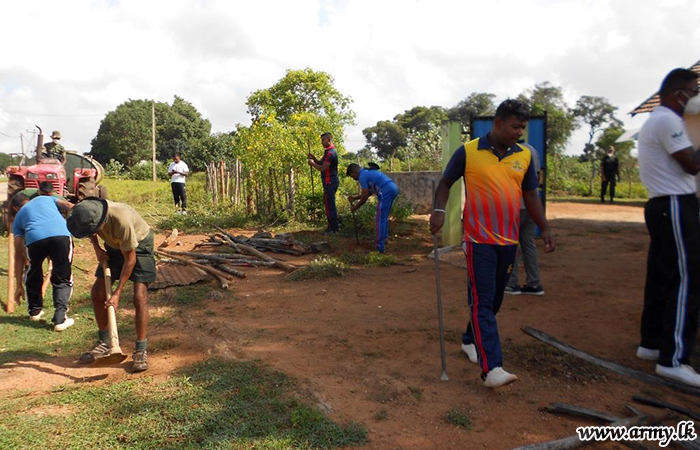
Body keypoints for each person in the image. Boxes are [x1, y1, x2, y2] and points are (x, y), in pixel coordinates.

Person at [430, 99, 555, 388]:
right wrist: (438, 210)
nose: (519, 132)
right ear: (498, 123)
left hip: (508, 240)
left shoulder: (524, 156)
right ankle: (492, 368)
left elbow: (531, 195)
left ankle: (468, 339)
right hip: (478, 240)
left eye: (522, 127)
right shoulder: (469, 152)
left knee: (494, 300)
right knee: (483, 300)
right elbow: (446, 182)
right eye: (515, 126)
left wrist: (544, 227)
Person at [636, 68, 700, 387]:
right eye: (693, 91)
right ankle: (673, 358)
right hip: (675, 203)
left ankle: (652, 343)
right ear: (679, 94)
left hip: (665, 205)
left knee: (663, 274)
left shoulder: (660, 120)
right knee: (687, 276)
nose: (695, 97)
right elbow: (692, 164)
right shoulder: (667, 120)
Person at [67, 198, 156, 373]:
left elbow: (130, 259)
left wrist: (117, 292)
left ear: (103, 221)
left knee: (139, 296)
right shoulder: (87, 213)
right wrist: (97, 248)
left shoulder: (121, 220)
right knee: (98, 292)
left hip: (139, 245)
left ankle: (140, 349)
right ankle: (105, 341)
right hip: (114, 245)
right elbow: (89, 231)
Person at [10, 193, 75, 330]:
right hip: (60, 235)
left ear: (15, 208)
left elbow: (18, 255)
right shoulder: (45, 198)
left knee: (33, 271)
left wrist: (19, 285)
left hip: (34, 239)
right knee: (63, 275)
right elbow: (69, 206)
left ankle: (35, 311)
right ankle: (60, 318)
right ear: (28, 200)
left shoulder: (17, 219)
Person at [505, 144, 545, 296]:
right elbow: (538, 175)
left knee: (511, 244)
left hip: (516, 205)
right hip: (532, 205)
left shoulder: (509, 151)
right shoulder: (532, 150)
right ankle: (534, 284)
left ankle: (511, 283)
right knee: (528, 243)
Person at [346, 164, 399, 253]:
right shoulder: (367, 173)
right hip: (392, 188)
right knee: (383, 217)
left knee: (380, 219)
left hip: (385, 190)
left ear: (354, 172)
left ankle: (379, 247)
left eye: (352, 176)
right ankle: (384, 239)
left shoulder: (362, 176)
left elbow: (365, 197)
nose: (353, 178)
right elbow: (369, 192)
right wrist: (355, 198)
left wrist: (355, 207)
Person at [308, 132, 339, 233]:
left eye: (323, 140)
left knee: (329, 204)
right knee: (328, 203)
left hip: (329, 180)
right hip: (330, 180)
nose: (322, 143)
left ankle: (333, 228)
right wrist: (315, 159)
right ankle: (332, 227)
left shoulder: (330, 153)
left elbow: (323, 168)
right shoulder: (328, 152)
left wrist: (312, 164)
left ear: (329, 140)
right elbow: (321, 163)